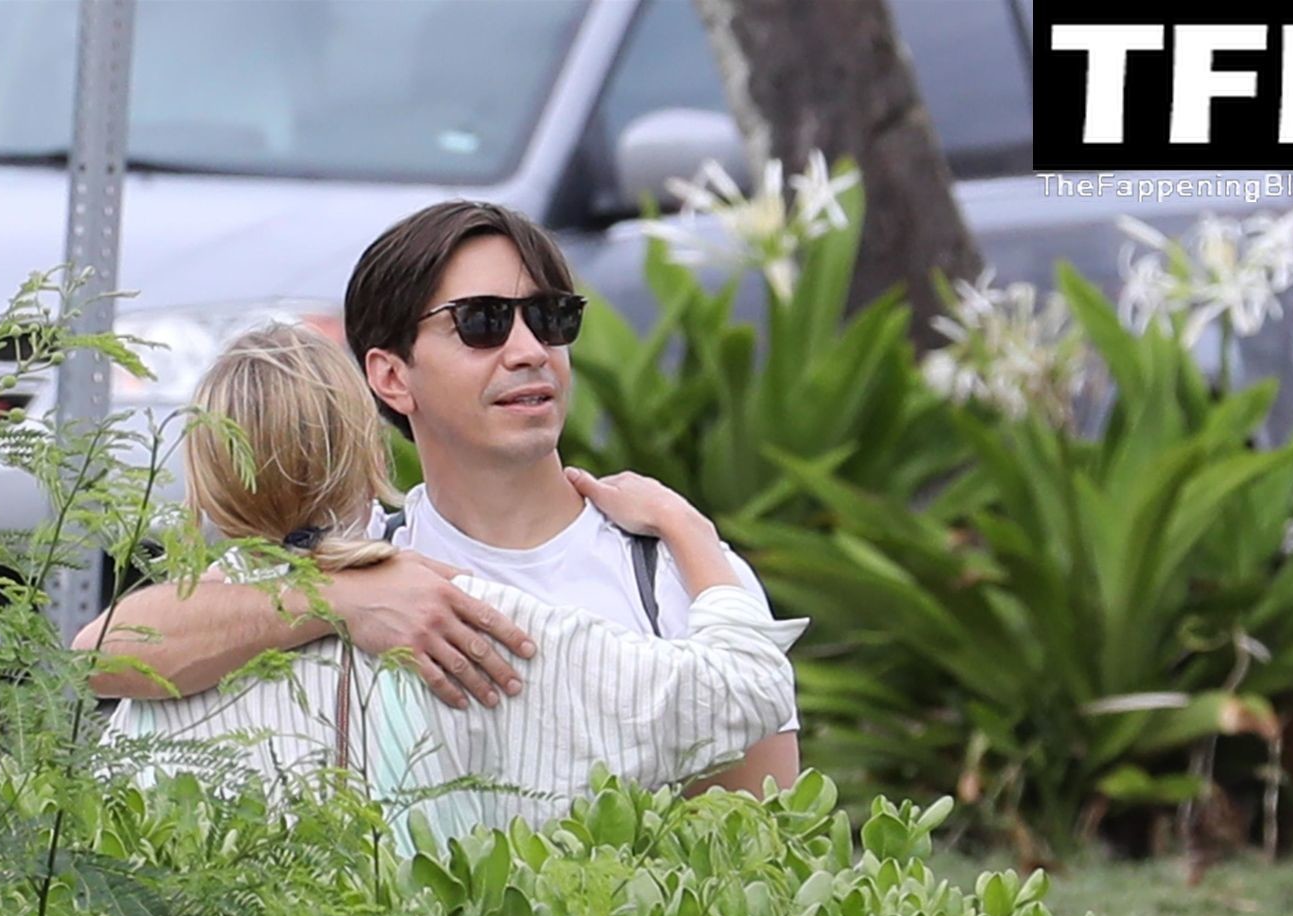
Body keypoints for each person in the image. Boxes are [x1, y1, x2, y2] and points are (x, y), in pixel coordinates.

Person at [76, 200, 802, 797]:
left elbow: (753, 841)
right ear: (391, 377)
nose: (530, 350)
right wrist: (337, 602)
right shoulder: (358, 560)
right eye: (483, 322)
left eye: (552, 318)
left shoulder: (681, 577)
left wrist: (683, 526)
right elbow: (104, 654)